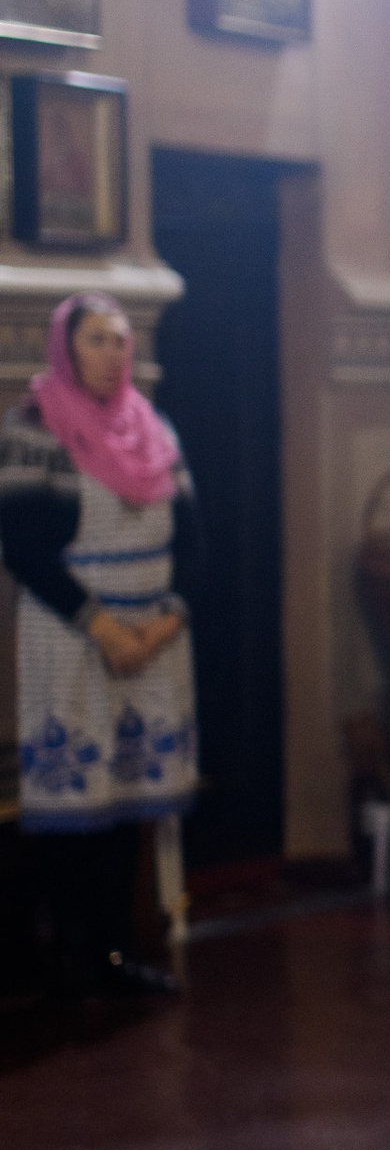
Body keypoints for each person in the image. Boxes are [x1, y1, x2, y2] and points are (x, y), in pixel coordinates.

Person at [0, 294, 198, 999]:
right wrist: (105, 628)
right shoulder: (31, 430)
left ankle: (117, 953)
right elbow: (23, 547)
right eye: (95, 341)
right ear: (65, 347)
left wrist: (164, 624)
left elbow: (193, 542)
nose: (113, 355)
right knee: (75, 805)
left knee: (127, 804)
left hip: (154, 637)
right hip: (74, 637)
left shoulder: (155, 430)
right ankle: (72, 957)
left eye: (119, 342)